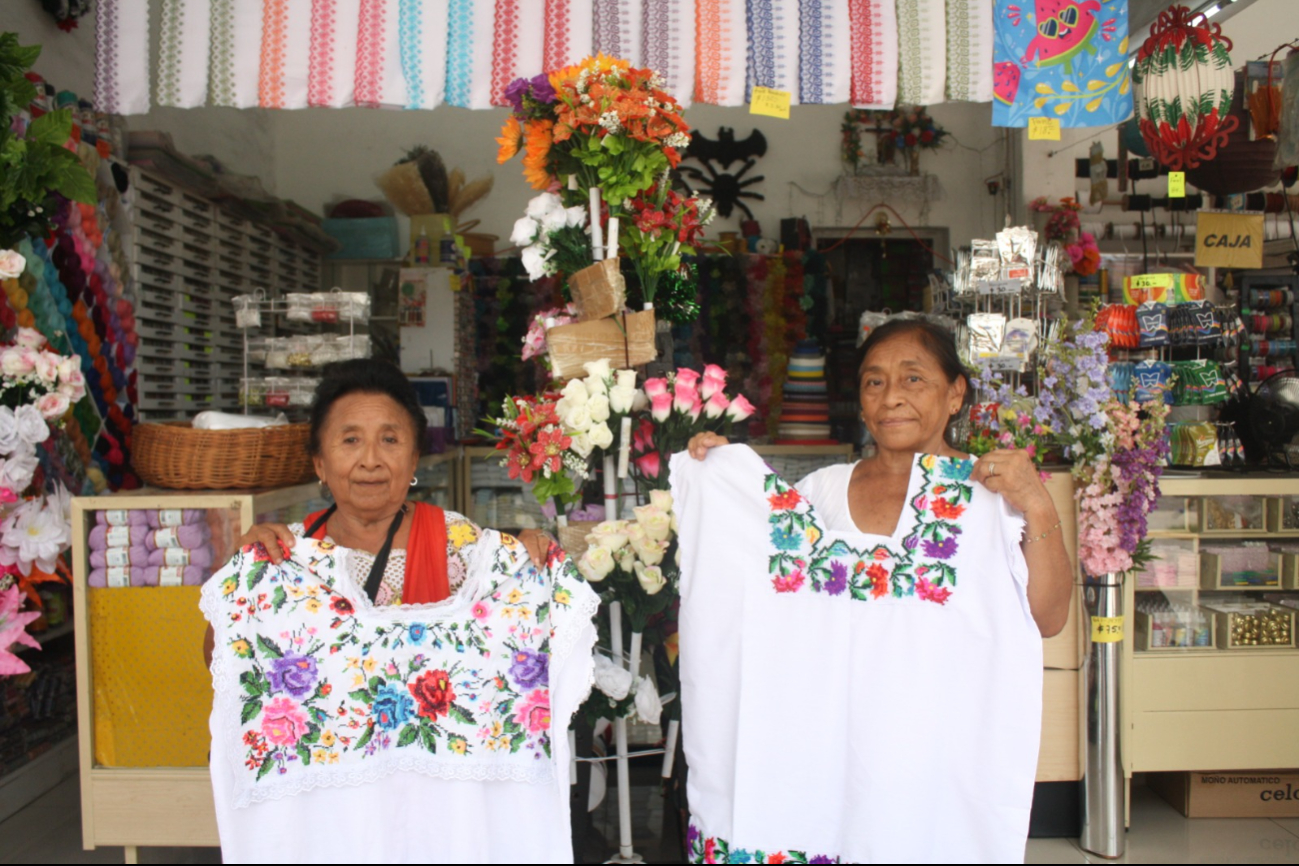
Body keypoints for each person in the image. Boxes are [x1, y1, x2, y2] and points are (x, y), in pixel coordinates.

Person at [687, 317, 1072, 636]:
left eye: (913, 379)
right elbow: (754, 579)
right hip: (842, 720)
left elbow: (1047, 620)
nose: (890, 398)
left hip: (949, 720)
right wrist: (725, 475)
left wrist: (1037, 502)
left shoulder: (990, 493)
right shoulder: (822, 490)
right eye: (874, 382)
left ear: (955, 393)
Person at [204, 359, 552, 661]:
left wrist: (524, 558)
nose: (370, 461)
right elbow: (220, 659)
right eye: (351, 440)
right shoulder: (286, 552)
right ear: (320, 463)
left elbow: (521, 637)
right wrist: (242, 577)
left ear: (414, 458)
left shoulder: (458, 544)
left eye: (389, 440)